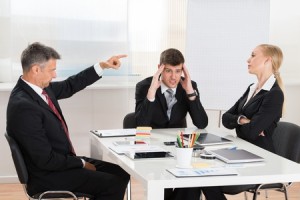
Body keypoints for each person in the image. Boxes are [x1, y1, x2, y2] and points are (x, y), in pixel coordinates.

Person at [6, 42, 130, 200]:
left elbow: (71, 85)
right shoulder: (23, 106)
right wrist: (81, 164)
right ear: (36, 69)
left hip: (59, 164)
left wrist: (102, 66)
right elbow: (45, 160)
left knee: (121, 173)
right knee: (112, 183)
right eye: (52, 70)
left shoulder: (39, 89)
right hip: (46, 176)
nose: (55, 75)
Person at [202, 44, 285, 199]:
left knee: (206, 177)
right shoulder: (252, 88)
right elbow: (226, 118)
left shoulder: (274, 94)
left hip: (261, 160)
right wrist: (243, 120)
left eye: (253, 55)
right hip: (243, 152)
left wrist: (245, 124)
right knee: (200, 171)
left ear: (267, 60)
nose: (248, 59)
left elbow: (252, 132)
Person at [135, 48, 208, 200]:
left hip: (179, 147)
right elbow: (141, 124)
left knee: (192, 183)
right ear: (160, 68)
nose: (174, 77)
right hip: (152, 148)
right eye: (168, 71)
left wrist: (190, 91)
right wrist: (152, 92)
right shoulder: (144, 86)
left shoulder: (189, 85)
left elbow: (202, 123)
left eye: (178, 71)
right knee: (162, 187)